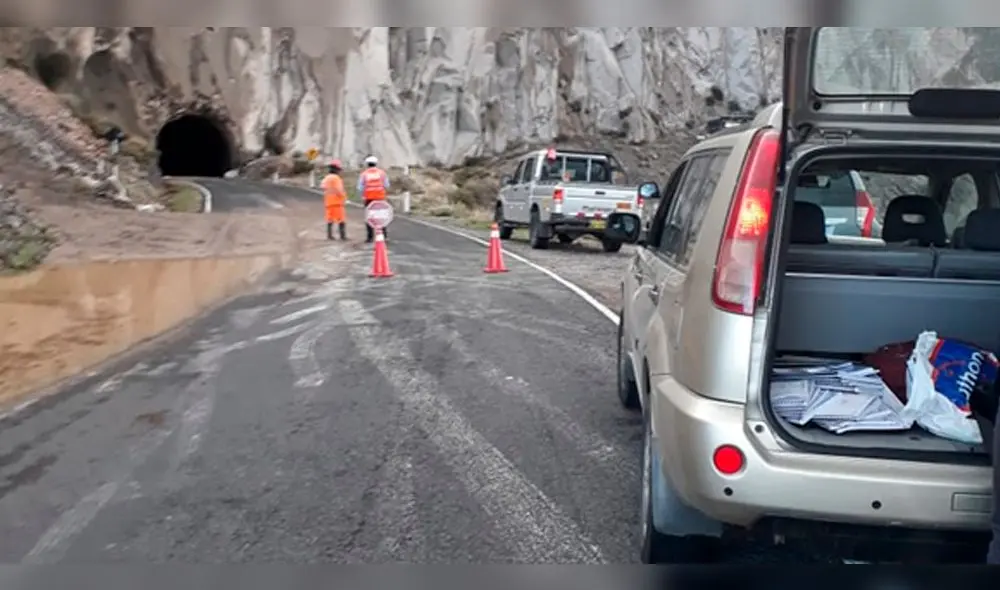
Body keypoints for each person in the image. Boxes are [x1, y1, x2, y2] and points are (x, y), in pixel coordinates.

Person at [357, 155, 390, 243]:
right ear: (376, 163)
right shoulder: (382, 173)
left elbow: (360, 187)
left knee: (369, 217)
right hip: (380, 198)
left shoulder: (364, 174)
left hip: (369, 199)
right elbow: (387, 185)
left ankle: (370, 237)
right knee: (381, 217)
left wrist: (362, 195)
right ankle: (384, 236)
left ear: (367, 164)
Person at [321, 159, 348, 240]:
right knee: (341, 219)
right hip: (337, 202)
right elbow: (339, 190)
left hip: (328, 202)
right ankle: (342, 236)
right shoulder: (336, 178)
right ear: (336, 169)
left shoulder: (327, 178)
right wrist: (344, 198)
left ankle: (329, 235)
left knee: (330, 219)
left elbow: (322, 186)